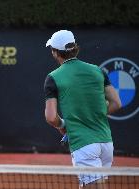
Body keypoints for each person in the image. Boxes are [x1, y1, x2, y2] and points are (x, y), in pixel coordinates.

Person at [43, 30, 121, 189]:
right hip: (106, 142)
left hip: (84, 145)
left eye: (52, 49)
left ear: (56, 53)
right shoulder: (97, 70)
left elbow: (51, 117)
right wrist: (93, 115)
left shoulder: (53, 77)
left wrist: (62, 125)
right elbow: (116, 103)